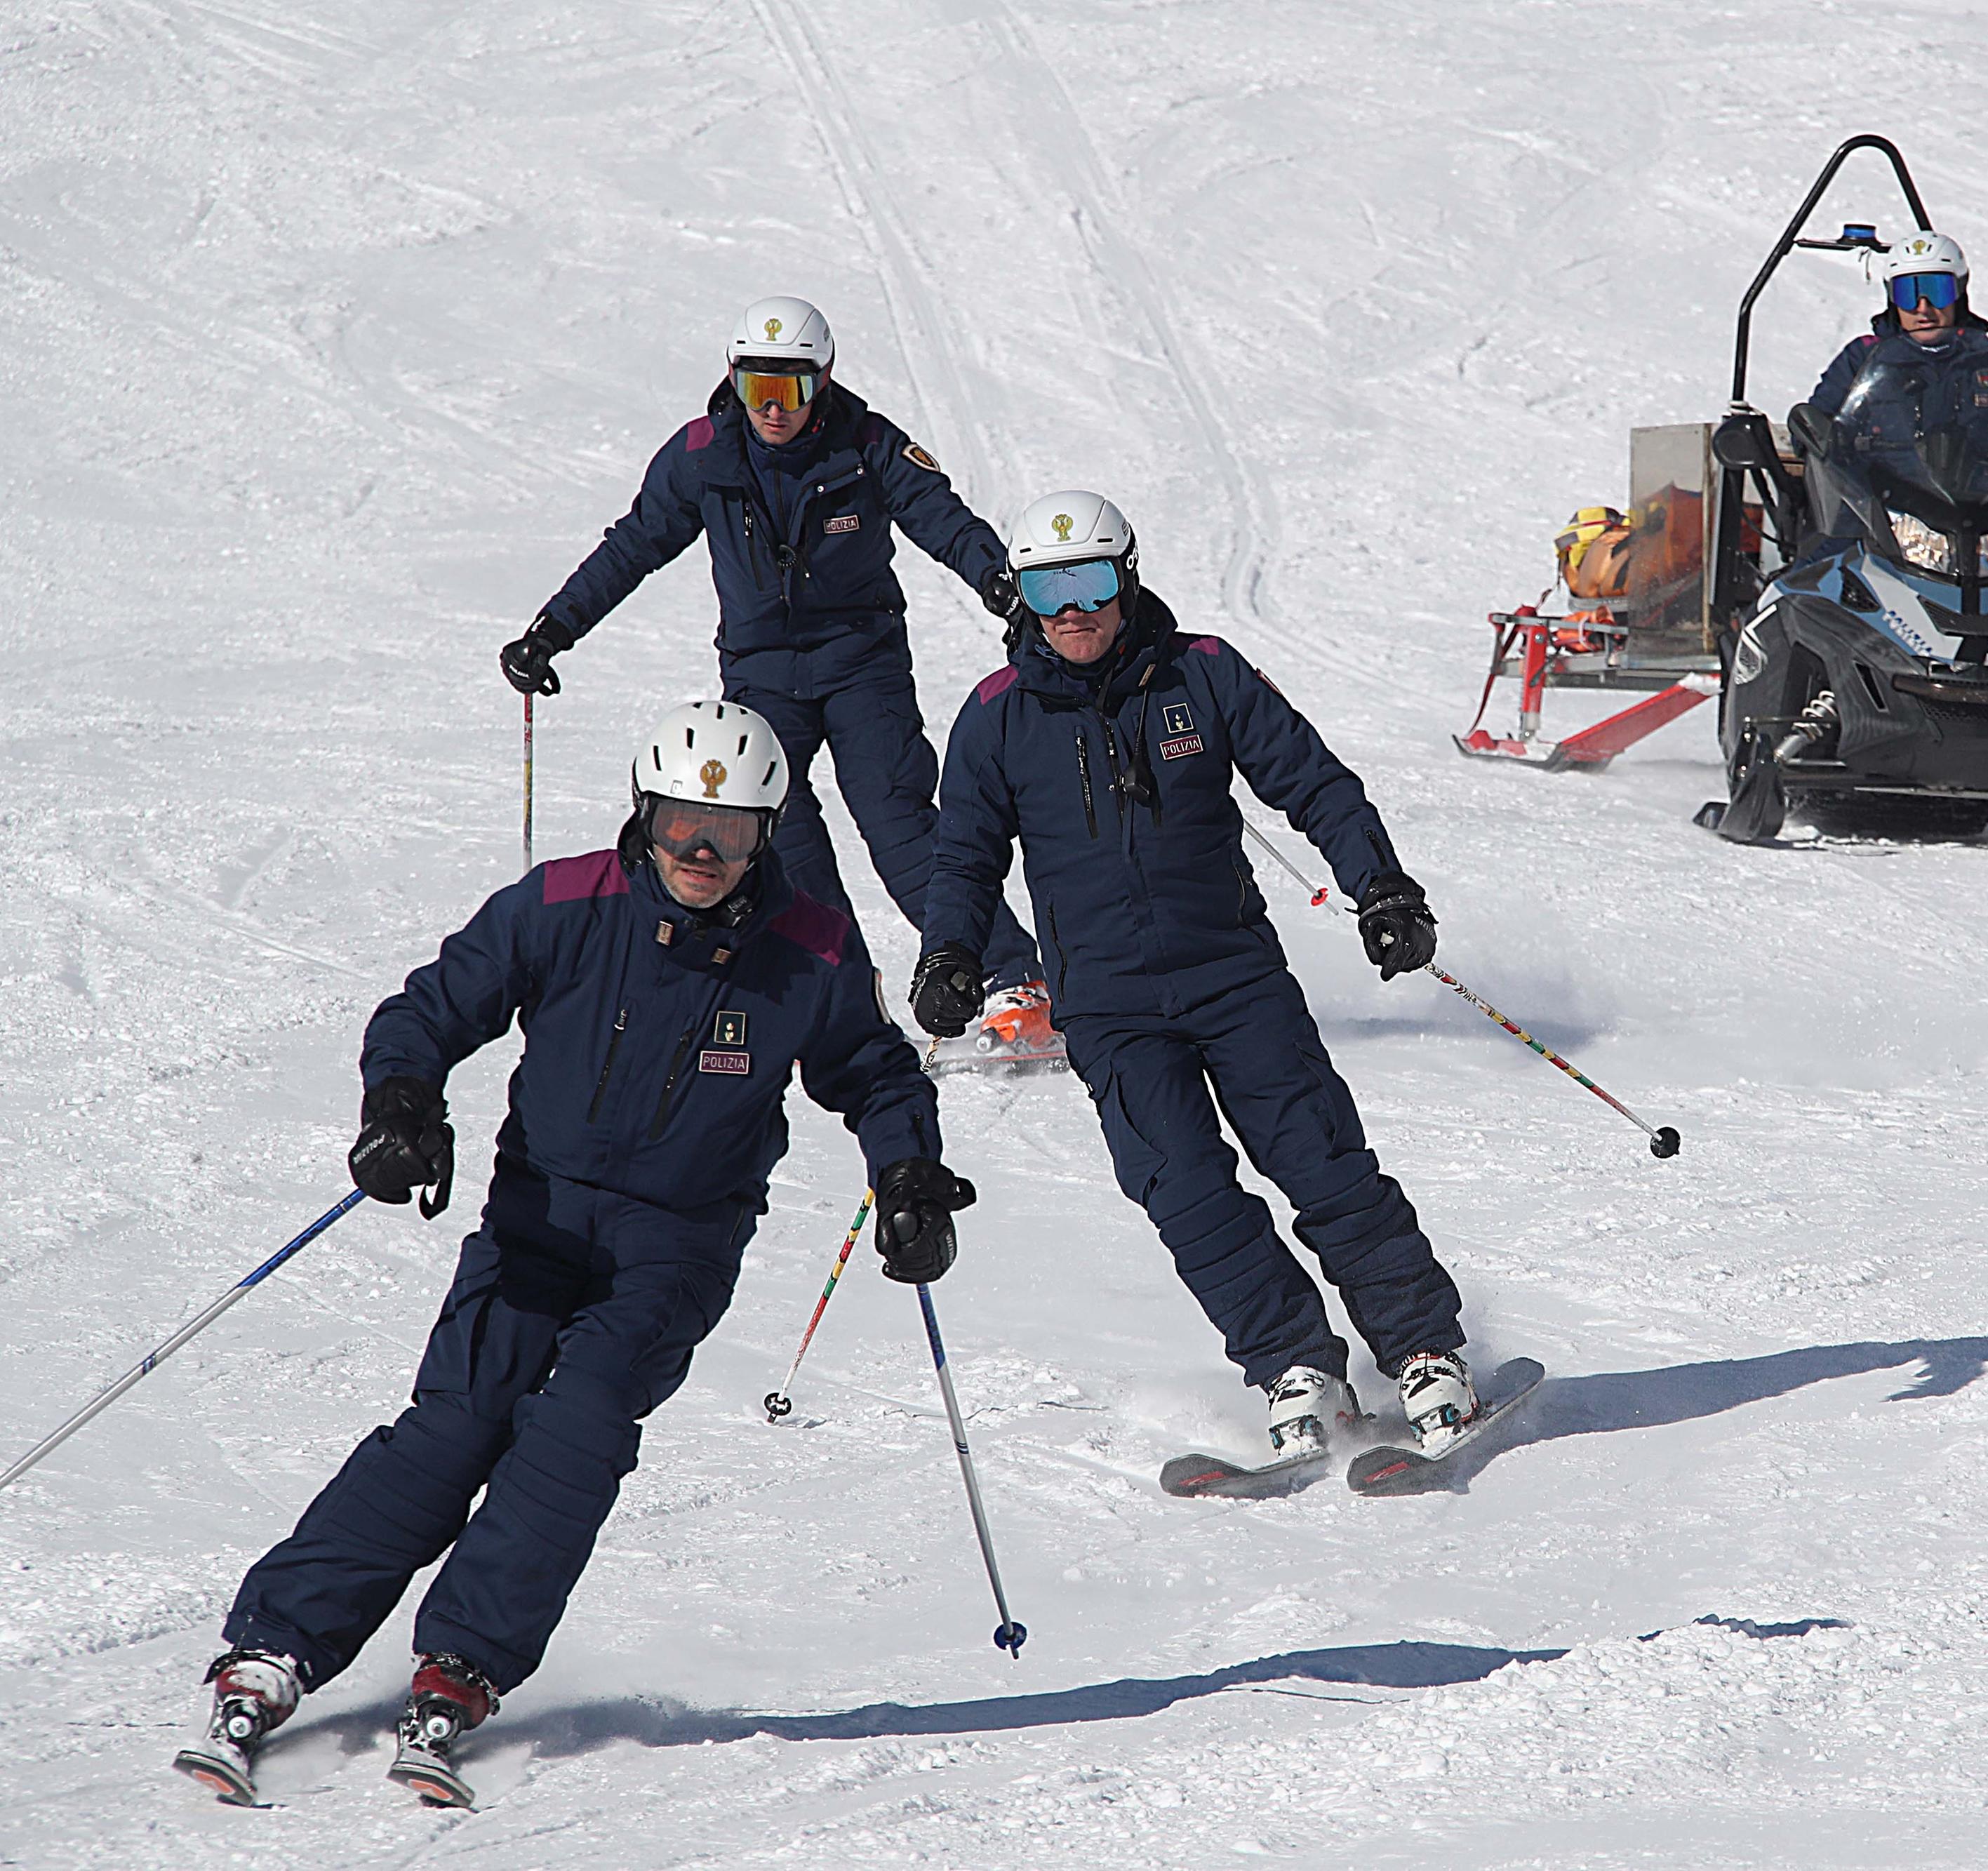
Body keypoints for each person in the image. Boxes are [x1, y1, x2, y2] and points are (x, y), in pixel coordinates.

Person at [176, 702, 971, 1809]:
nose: (704, 852)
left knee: (580, 1424)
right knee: (455, 1424)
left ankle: (462, 1662)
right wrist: (403, 1099)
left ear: (768, 836)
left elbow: (877, 1076)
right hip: (535, 1219)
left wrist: (909, 1175)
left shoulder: (810, 950)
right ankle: (277, 1644)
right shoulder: (565, 902)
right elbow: (432, 1003)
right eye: (687, 821)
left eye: (734, 832)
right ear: (644, 812)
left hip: (677, 1245)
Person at [909, 491, 1474, 1464]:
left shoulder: (1202, 675)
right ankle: (1297, 1363)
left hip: (1234, 977)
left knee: (1318, 1159)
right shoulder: (996, 719)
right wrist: (950, 953)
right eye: (1048, 588)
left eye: (1088, 582)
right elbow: (961, 856)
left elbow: (1312, 780)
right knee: (1183, 1191)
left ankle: (1424, 1348)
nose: (1072, 610)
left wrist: (1379, 885)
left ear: (1127, 577)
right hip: (1111, 1009)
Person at [497, 295, 1057, 1058]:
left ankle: (1016, 980)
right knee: (778, 834)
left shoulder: (866, 444)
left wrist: (1002, 583)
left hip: (864, 665)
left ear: (822, 382)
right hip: (762, 676)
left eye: (789, 389)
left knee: (899, 825)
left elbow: (940, 515)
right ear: (731, 379)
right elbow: (633, 545)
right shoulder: (702, 455)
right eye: (756, 387)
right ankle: (849, 993)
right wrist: (553, 628)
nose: (772, 409)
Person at [1806, 229, 1988, 488]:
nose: (1923, 309)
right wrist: (1826, 439)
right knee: (1834, 546)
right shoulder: (1864, 357)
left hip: (1974, 516)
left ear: (1959, 292)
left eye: (1936, 292)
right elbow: (1815, 423)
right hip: (1876, 515)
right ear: (1892, 299)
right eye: (1909, 294)